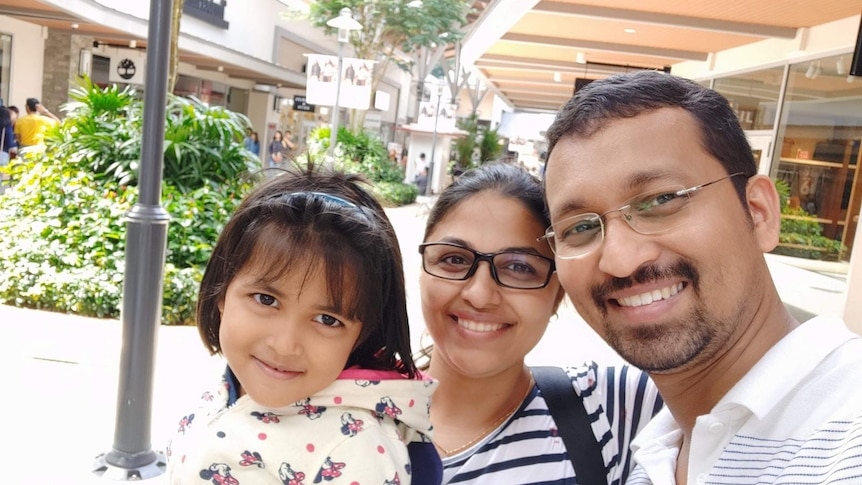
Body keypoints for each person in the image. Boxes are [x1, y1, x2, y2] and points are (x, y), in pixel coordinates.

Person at [542, 70, 862, 484]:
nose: (620, 260)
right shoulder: (654, 452)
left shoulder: (847, 435)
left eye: (662, 199)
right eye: (580, 227)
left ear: (759, 213)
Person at [167, 167, 440, 485]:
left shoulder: (354, 448)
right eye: (266, 300)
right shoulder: (229, 389)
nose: (284, 345)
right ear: (222, 291)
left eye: (327, 319)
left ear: (361, 335)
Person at [418, 162, 663, 484]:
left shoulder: (613, 409)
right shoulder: (346, 403)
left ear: (557, 294)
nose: (479, 295)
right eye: (454, 259)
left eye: (519, 268)